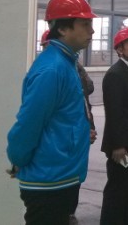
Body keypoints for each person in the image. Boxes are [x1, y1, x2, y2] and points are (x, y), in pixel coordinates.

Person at [7, 0, 96, 225]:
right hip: (48, 179)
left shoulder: (66, 63)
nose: (92, 31)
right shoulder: (52, 69)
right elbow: (29, 123)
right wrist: (18, 158)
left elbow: (63, 117)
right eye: (85, 25)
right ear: (63, 29)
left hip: (62, 173)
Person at [40, 30, 97, 225]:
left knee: (75, 174)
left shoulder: (73, 66)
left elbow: (89, 89)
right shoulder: (46, 70)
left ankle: (69, 212)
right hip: (57, 136)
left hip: (80, 127)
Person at [100, 28, 128, 225]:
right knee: (117, 193)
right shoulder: (116, 74)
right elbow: (114, 113)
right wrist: (118, 145)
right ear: (120, 49)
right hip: (122, 149)